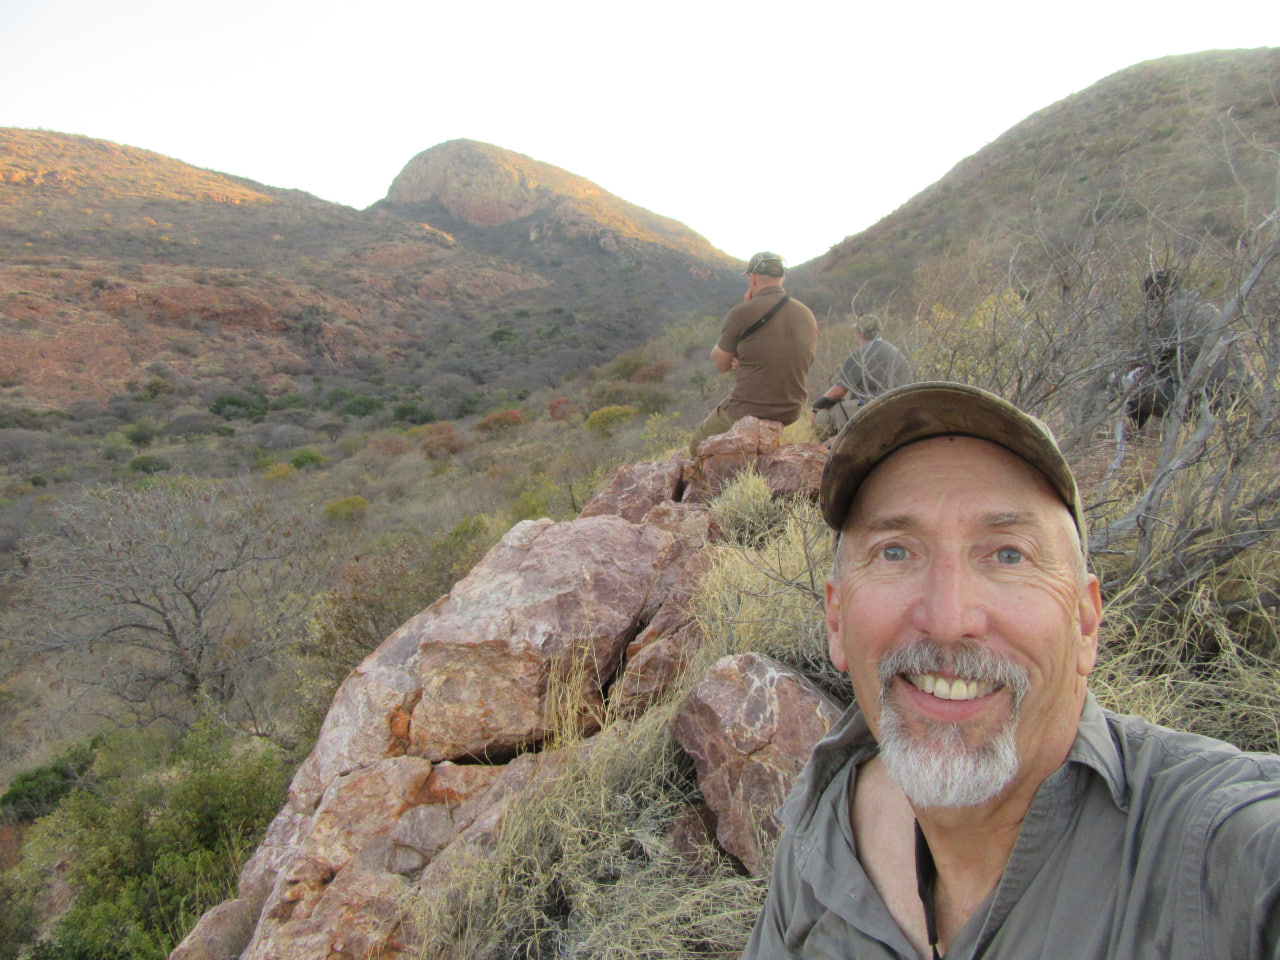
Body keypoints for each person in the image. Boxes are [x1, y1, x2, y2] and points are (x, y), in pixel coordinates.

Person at [741, 381, 1280, 960]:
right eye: (895, 551)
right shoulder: (822, 824)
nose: (948, 618)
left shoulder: (1222, 848)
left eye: (1007, 554)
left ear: (1085, 621)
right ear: (837, 617)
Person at [688, 252, 817, 456]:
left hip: (750, 409)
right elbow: (796, 358)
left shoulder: (741, 313)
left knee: (697, 446)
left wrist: (745, 310)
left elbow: (721, 363)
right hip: (792, 409)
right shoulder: (806, 314)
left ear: (752, 278)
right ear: (782, 278)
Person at [811, 314, 913, 440]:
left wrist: (816, 408)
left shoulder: (860, 356)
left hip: (872, 410)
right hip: (901, 408)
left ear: (859, 334)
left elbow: (838, 391)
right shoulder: (897, 353)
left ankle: (830, 453)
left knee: (823, 416)